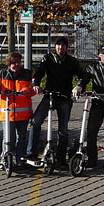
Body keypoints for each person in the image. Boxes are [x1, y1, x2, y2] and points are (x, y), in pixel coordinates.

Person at [27, 37, 84, 167]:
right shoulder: (48, 58)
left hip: (64, 97)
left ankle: (61, 158)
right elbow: (39, 72)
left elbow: (82, 75)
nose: (60, 48)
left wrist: (79, 86)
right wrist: (36, 83)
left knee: (63, 130)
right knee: (35, 121)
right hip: (50, 96)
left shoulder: (72, 61)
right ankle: (31, 153)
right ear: (55, 47)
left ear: (66, 48)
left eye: (63, 45)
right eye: (58, 45)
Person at [0, 52, 35, 165]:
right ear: (9, 64)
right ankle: (6, 159)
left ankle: (20, 160)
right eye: (13, 63)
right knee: (8, 138)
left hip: (23, 114)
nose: (15, 65)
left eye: (17, 62)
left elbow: (33, 87)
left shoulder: (28, 74)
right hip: (7, 114)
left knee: (21, 137)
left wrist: (27, 91)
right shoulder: (2, 74)